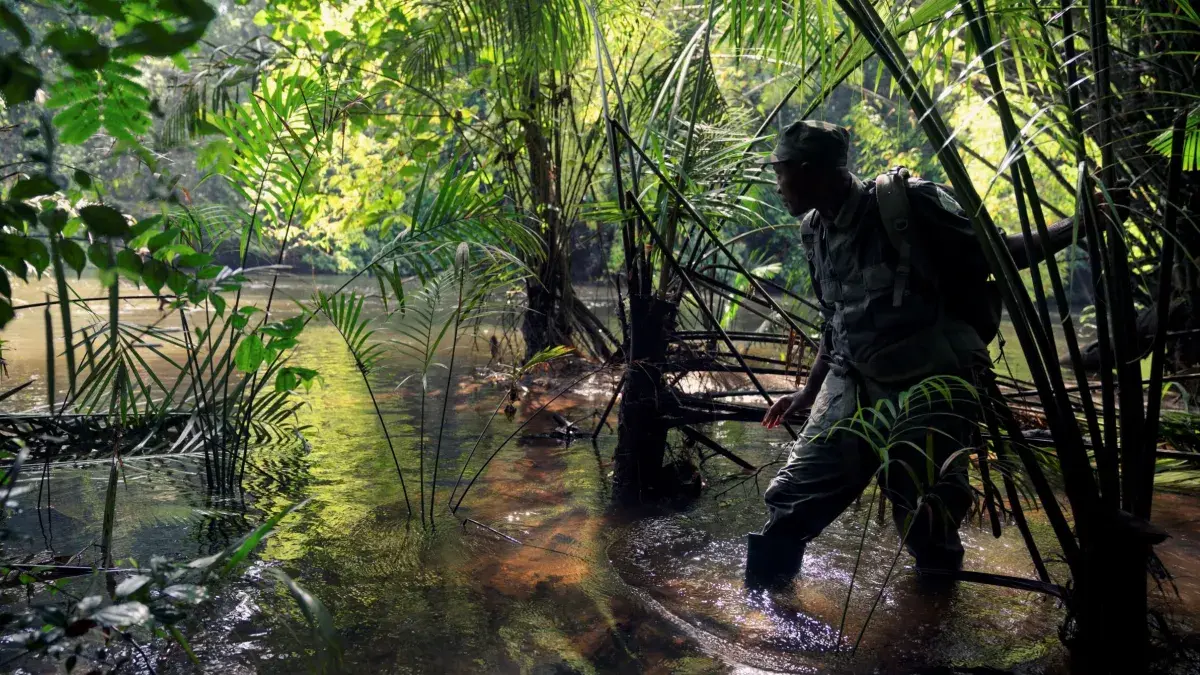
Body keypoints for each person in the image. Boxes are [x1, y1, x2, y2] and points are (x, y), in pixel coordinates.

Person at [746, 120, 1081, 590]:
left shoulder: (907, 205)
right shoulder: (813, 230)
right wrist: (805, 394)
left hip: (931, 380)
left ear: (808, 170)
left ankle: (931, 634)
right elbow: (835, 321)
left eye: (780, 174)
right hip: (852, 382)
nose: (777, 186)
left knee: (926, 515)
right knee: (792, 500)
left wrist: (1076, 223)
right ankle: (762, 614)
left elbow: (1003, 254)